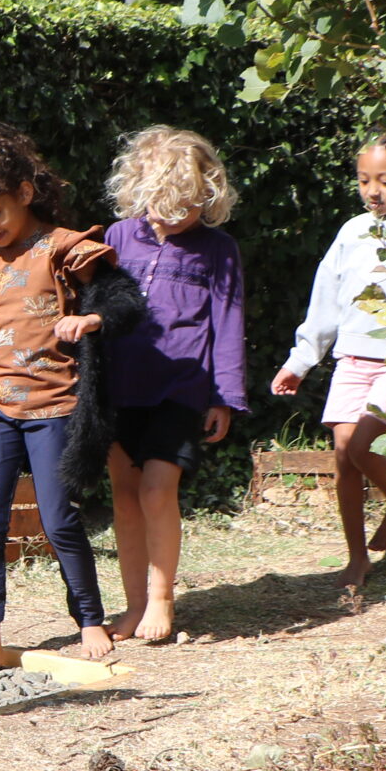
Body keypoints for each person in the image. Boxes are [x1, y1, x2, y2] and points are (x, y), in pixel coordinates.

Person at [0, 123, 143, 672]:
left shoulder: (64, 250)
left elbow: (125, 300)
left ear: (24, 193)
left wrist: (92, 317)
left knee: (59, 520)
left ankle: (90, 619)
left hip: (56, 409)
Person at [271, 133, 386, 588]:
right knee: (344, 456)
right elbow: (326, 300)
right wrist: (302, 360)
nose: (373, 190)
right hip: (353, 358)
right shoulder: (352, 231)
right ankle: (356, 558)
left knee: (360, 444)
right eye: (364, 180)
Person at [100, 127, 249, 643]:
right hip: (119, 387)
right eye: (159, 205)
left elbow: (228, 321)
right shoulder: (117, 238)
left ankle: (163, 601)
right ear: (137, 191)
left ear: (208, 197)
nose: (170, 217)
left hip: (181, 387)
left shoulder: (218, 249)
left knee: (158, 491)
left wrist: (224, 397)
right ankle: (134, 605)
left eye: (185, 207)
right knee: (123, 493)